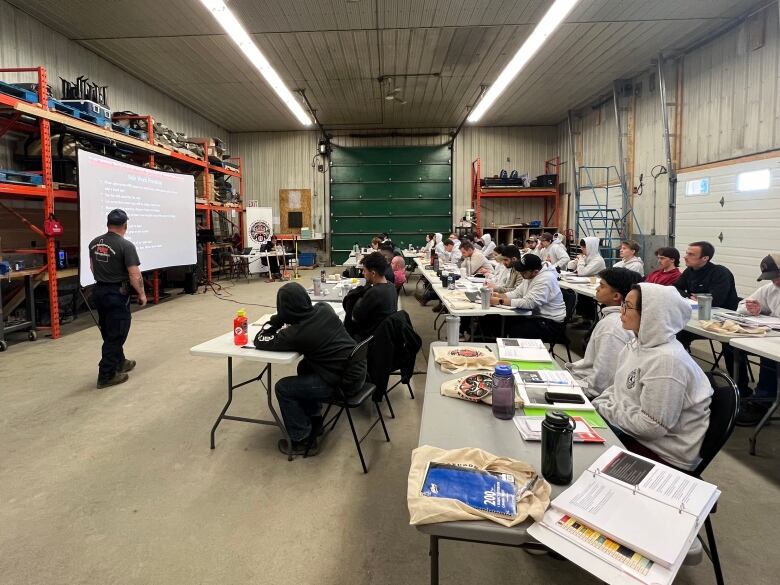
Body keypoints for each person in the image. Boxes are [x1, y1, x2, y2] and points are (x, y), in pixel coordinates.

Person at [593, 283, 712, 471]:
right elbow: (615, 390)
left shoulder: (667, 361)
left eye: (628, 306)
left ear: (652, 315)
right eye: (623, 303)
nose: (622, 311)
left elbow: (651, 427)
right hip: (630, 430)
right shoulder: (635, 344)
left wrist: (604, 409)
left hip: (661, 454)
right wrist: (599, 406)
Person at [254, 282, 366, 456]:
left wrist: (277, 320)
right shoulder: (324, 308)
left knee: (283, 388)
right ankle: (315, 421)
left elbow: (260, 340)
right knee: (305, 366)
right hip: (357, 371)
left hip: (343, 384)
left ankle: (301, 439)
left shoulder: (298, 333)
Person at [88, 209, 146, 389]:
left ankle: (119, 362)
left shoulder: (94, 243)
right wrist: (142, 294)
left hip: (99, 292)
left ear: (108, 224)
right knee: (117, 333)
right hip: (116, 294)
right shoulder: (126, 245)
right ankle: (106, 375)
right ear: (125, 225)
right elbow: (134, 274)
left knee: (108, 330)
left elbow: (92, 267)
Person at [565, 268, 643, 398]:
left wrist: (571, 387)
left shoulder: (612, 327)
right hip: (587, 381)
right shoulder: (612, 320)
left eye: (602, 286)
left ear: (616, 296)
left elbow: (601, 382)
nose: (597, 289)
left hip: (590, 392)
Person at [735, 254, 780, 425]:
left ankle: (762, 402)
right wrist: (753, 309)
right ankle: (747, 393)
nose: (774, 282)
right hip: (773, 336)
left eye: (777, 277)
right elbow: (741, 306)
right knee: (733, 347)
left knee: (770, 357)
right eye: (771, 278)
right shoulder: (770, 289)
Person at [488, 253, 566, 339]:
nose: (521, 273)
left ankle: (513, 350)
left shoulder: (546, 279)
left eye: (523, 272)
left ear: (535, 271)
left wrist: (500, 301)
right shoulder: (529, 275)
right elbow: (517, 293)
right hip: (536, 316)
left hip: (551, 322)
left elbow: (529, 303)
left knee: (515, 330)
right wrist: (499, 295)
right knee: (500, 319)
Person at [343, 252, 397, 341]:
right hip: (384, 336)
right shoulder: (391, 286)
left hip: (368, 339)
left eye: (364, 270)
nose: (363, 273)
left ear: (373, 273)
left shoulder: (374, 293)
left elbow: (354, 317)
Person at [674, 241, 738, 310]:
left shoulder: (720, 273)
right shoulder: (689, 270)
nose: (685, 257)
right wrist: (690, 297)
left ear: (705, 258)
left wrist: (699, 300)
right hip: (697, 309)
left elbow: (715, 302)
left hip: (721, 313)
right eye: (687, 253)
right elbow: (675, 289)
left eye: (691, 254)